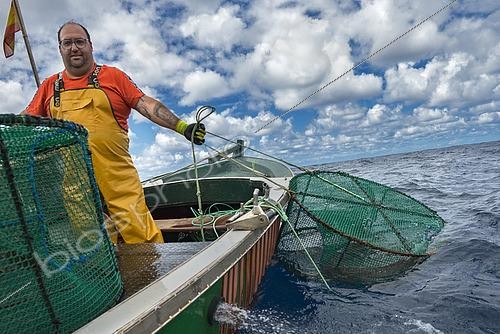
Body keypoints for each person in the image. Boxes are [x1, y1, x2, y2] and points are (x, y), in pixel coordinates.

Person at [22, 21, 206, 244]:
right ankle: (106, 271)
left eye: (79, 42)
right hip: (74, 179)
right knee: (90, 239)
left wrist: (182, 127)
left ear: (90, 46)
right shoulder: (49, 86)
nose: (74, 47)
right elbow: (25, 121)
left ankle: (156, 273)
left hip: (117, 175)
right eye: (67, 43)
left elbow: (146, 104)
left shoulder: (113, 76)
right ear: (60, 49)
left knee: (138, 229)